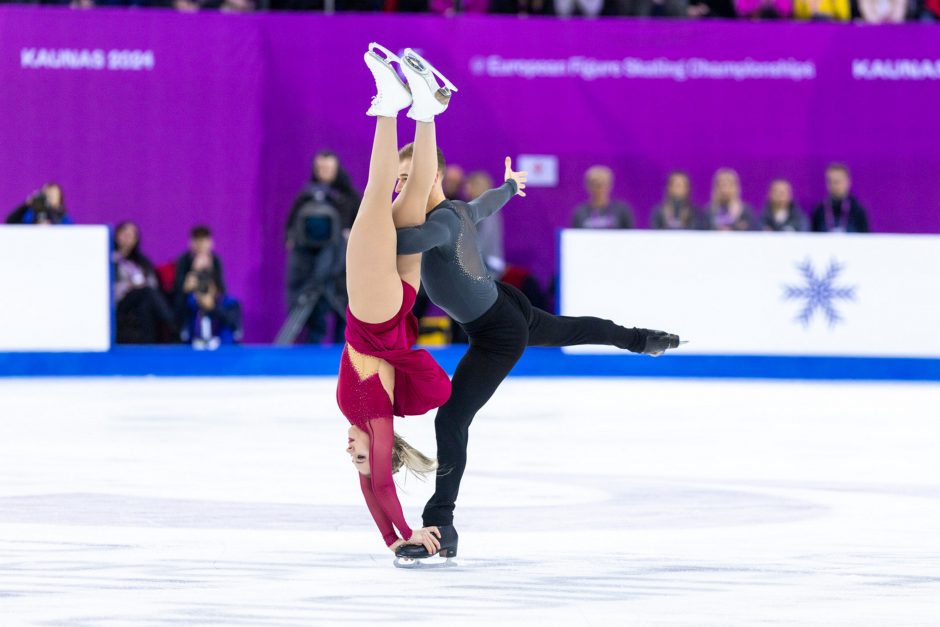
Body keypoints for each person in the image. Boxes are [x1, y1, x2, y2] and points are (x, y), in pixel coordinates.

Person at [393, 154, 681, 562]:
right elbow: (484, 205)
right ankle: (642, 340)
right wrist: (510, 186)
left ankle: (442, 523)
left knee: (452, 418)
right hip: (505, 307)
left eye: (409, 178)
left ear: (434, 175)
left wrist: (372, 222)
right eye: (398, 180)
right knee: (574, 329)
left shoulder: (440, 221)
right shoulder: (457, 209)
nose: (400, 188)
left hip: (498, 332)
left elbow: (407, 241)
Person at [337, 44, 454, 557]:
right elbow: (381, 483)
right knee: (377, 190)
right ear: (382, 450)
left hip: (396, 303)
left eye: (354, 457)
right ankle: (390, 102)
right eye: (360, 456)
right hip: (376, 312)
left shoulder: (362, 419)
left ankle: (425, 109)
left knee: (408, 200)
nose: (351, 452)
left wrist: (389, 539)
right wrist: (409, 531)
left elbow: (369, 490)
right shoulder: (376, 420)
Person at [285, 150, 362, 344]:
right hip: (311, 263)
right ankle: (313, 353)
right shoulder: (306, 195)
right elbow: (291, 226)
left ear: (336, 168)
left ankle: (344, 354)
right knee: (314, 312)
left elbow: (364, 224)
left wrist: (351, 235)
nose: (323, 171)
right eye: (320, 167)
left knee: (343, 311)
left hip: (341, 265)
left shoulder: (349, 196)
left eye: (328, 167)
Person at [112, 222, 176, 344]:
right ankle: (173, 325)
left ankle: (148, 344)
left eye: (132, 235)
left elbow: (153, 284)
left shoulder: (142, 262)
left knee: (146, 301)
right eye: (124, 233)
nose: (128, 237)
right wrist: (130, 285)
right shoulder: (110, 260)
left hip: (141, 299)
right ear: (117, 235)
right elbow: (108, 287)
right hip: (121, 302)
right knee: (146, 292)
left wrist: (141, 285)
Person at [172, 225, 227, 336]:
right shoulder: (184, 260)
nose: (201, 245)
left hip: (212, 298)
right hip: (190, 297)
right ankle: (188, 333)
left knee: (231, 305)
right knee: (193, 302)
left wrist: (212, 295)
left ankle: (228, 340)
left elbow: (221, 287)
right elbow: (181, 287)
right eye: (197, 241)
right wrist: (195, 270)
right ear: (191, 243)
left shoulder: (215, 260)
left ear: (210, 243)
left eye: (204, 241)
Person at [811, 163, 870, 233]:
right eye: (830, 181)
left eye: (837, 181)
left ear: (848, 182)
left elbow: (865, 238)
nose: (834, 186)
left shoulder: (857, 210)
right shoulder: (820, 210)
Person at [570, 166, 634, 230]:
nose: (599, 188)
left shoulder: (621, 210)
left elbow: (630, 235)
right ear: (587, 186)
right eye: (594, 184)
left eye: (603, 184)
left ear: (610, 185)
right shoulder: (580, 212)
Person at [6, 183, 73, 225]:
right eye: (47, 195)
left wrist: (51, 224)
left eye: (53, 195)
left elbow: (67, 232)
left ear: (59, 198)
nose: (49, 198)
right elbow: (10, 222)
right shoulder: (31, 213)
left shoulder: (63, 216)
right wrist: (25, 205)